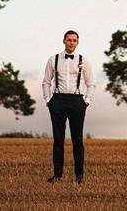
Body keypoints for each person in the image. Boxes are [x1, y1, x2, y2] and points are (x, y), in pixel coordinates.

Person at [42, 30, 95, 184]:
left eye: (74, 40)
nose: (71, 42)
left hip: (77, 101)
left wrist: (86, 101)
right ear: (64, 41)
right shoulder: (53, 59)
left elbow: (90, 83)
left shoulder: (84, 60)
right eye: (69, 40)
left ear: (77, 42)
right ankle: (57, 175)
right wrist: (48, 100)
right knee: (58, 140)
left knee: (77, 140)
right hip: (57, 100)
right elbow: (46, 82)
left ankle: (79, 176)